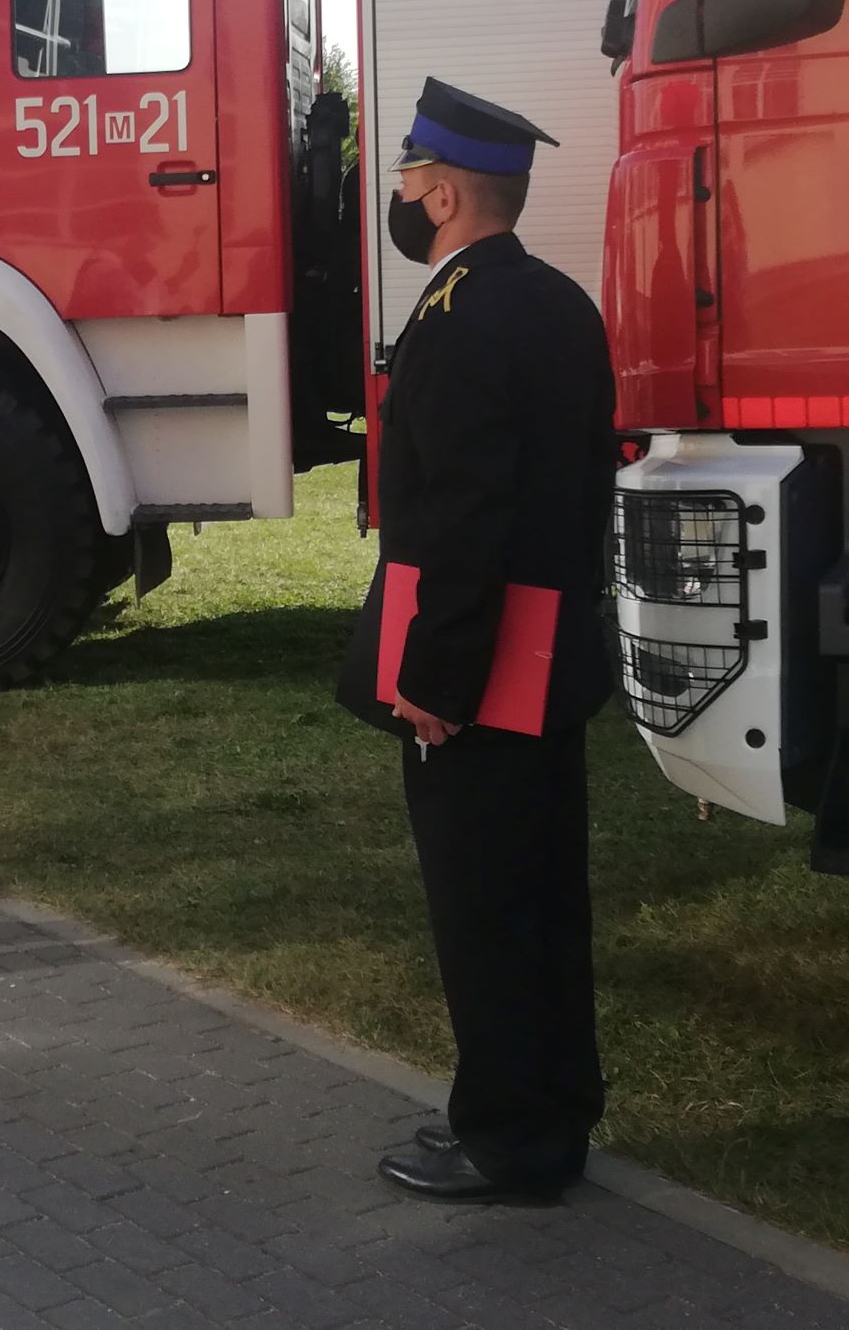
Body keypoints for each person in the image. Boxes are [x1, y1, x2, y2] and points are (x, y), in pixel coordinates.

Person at [336, 77, 618, 1208]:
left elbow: (461, 521)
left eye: (409, 178)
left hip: (479, 672)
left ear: (444, 194)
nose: (402, 196)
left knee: (485, 907)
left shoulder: (456, 319)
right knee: (546, 897)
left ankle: (507, 1136)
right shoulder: (560, 303)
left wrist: (435, 681)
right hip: (547, 656)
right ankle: (556, 1107)